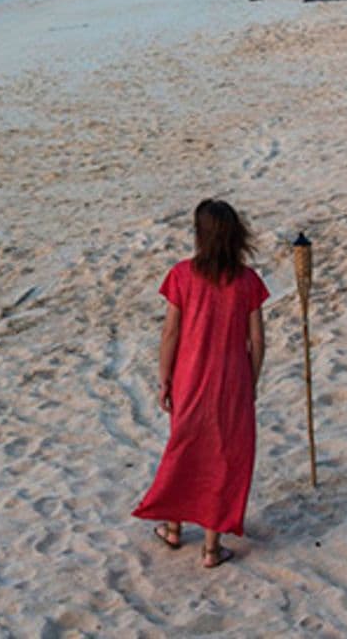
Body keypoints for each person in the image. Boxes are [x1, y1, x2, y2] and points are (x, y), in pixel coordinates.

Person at [132, 199, 269, 567]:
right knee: (223, 457)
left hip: (189, 379)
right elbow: (257, 340)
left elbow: (171, 333)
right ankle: (211, 547)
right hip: (232, 383)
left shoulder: (182, 275)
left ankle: (173, 528)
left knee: (185, 449)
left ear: (199, 236)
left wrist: (164, 379)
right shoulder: (248, 281)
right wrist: (251, 382)